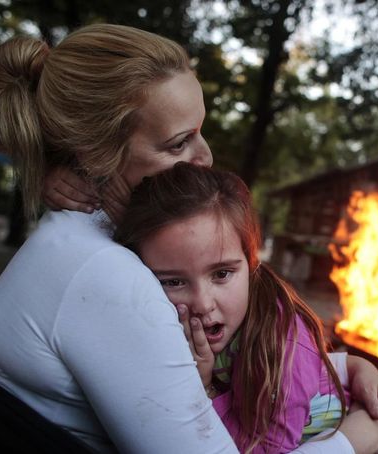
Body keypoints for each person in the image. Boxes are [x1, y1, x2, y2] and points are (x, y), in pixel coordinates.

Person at [0, 23, 378, 453]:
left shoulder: (91, 242)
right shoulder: (111, 279)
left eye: (200, 130)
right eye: (178, 144)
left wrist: (347, 366)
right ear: (93, 153)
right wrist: (358, 439)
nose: (206, 157)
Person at [115, 162, 352, 453]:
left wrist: (204, 389)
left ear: (252, 263)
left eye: (222, 274)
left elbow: (259, 450)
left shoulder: (281, 350)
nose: (202, 303)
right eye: (173, 281)